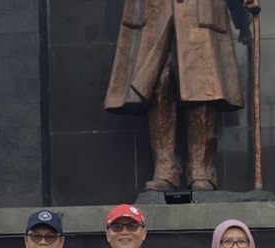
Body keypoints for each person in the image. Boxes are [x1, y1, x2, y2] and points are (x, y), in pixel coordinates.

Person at [104, 0, 260, 191]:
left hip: (200, 10)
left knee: (203, 84)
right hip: (155, 10)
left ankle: (201, 171)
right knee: (157, 83)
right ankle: (165, 169)